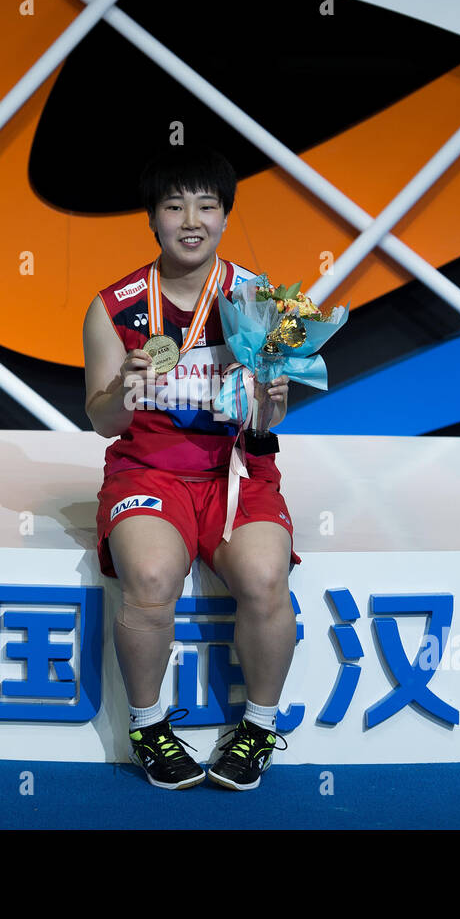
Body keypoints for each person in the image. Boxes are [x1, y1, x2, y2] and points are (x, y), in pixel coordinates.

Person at [82, 145, 302, 790]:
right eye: (174, 205)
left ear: (226, 217)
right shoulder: (115, 306)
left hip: (237, 471)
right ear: (152, 219)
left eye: (207, 205)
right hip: (147, 472)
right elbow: (101, 420)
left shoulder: (256, 298)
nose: (191, 219)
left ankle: (258, 727)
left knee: (264, 578)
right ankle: (149, 726)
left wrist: (271, 403)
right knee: (149, 577)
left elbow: (266, 422)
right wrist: (125, 383)